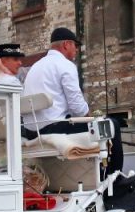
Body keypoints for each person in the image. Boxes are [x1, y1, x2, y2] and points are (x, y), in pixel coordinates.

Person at [22, 27, 125, 176]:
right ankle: (114, 177)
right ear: (66, 44)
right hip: (52, 127)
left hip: (31, 131)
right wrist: (92, 118)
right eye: (75, 46)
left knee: (95, 124)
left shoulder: (36, 67)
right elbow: (77, 106)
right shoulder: (65, 65)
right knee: (110, 124)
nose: (77, 50)